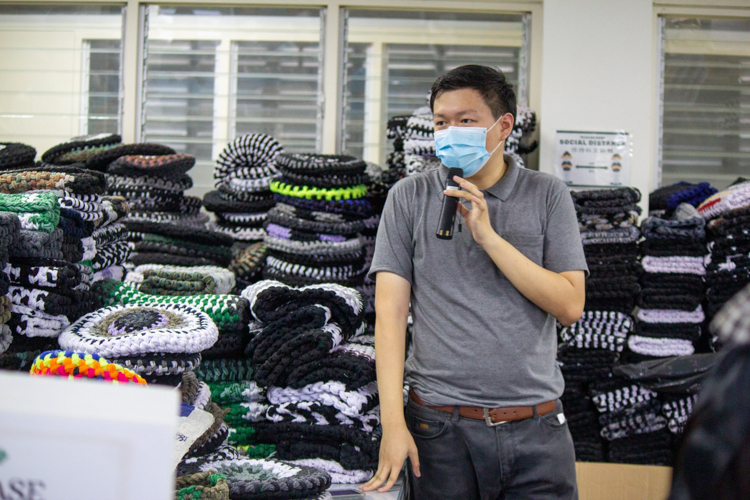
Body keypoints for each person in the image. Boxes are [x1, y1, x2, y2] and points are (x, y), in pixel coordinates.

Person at [360, 65, 587, 499]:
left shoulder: (548, 195)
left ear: (504, 126)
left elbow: (570, 305)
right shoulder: (408, 197)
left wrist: (488, 237)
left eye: (465, 121)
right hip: (440, 429)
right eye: (441, 122)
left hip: (536, 429)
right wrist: (393, 424)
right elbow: (389, 316)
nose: (450, 132)